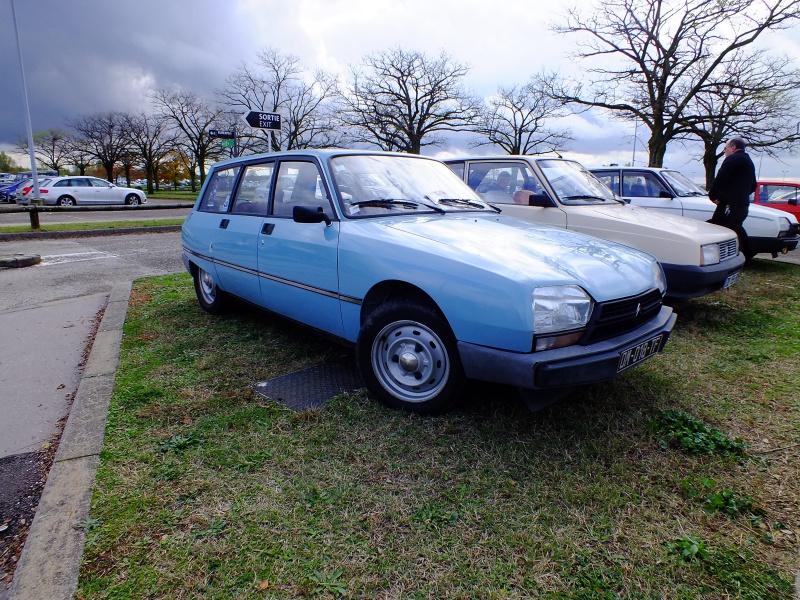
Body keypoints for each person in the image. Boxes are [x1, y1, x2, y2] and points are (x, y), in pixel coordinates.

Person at [708, 136, 756, 251]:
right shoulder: (748, 161)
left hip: (728, 205)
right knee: (734, 230)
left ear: (733, 147)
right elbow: (753, 185)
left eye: (725, 148)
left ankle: (717, 257)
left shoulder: (732, 159)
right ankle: (734, 254)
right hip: (742, 205)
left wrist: (713, 196)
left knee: (719, 231)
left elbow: (720, 178)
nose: (725, 152)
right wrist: (741, 195)